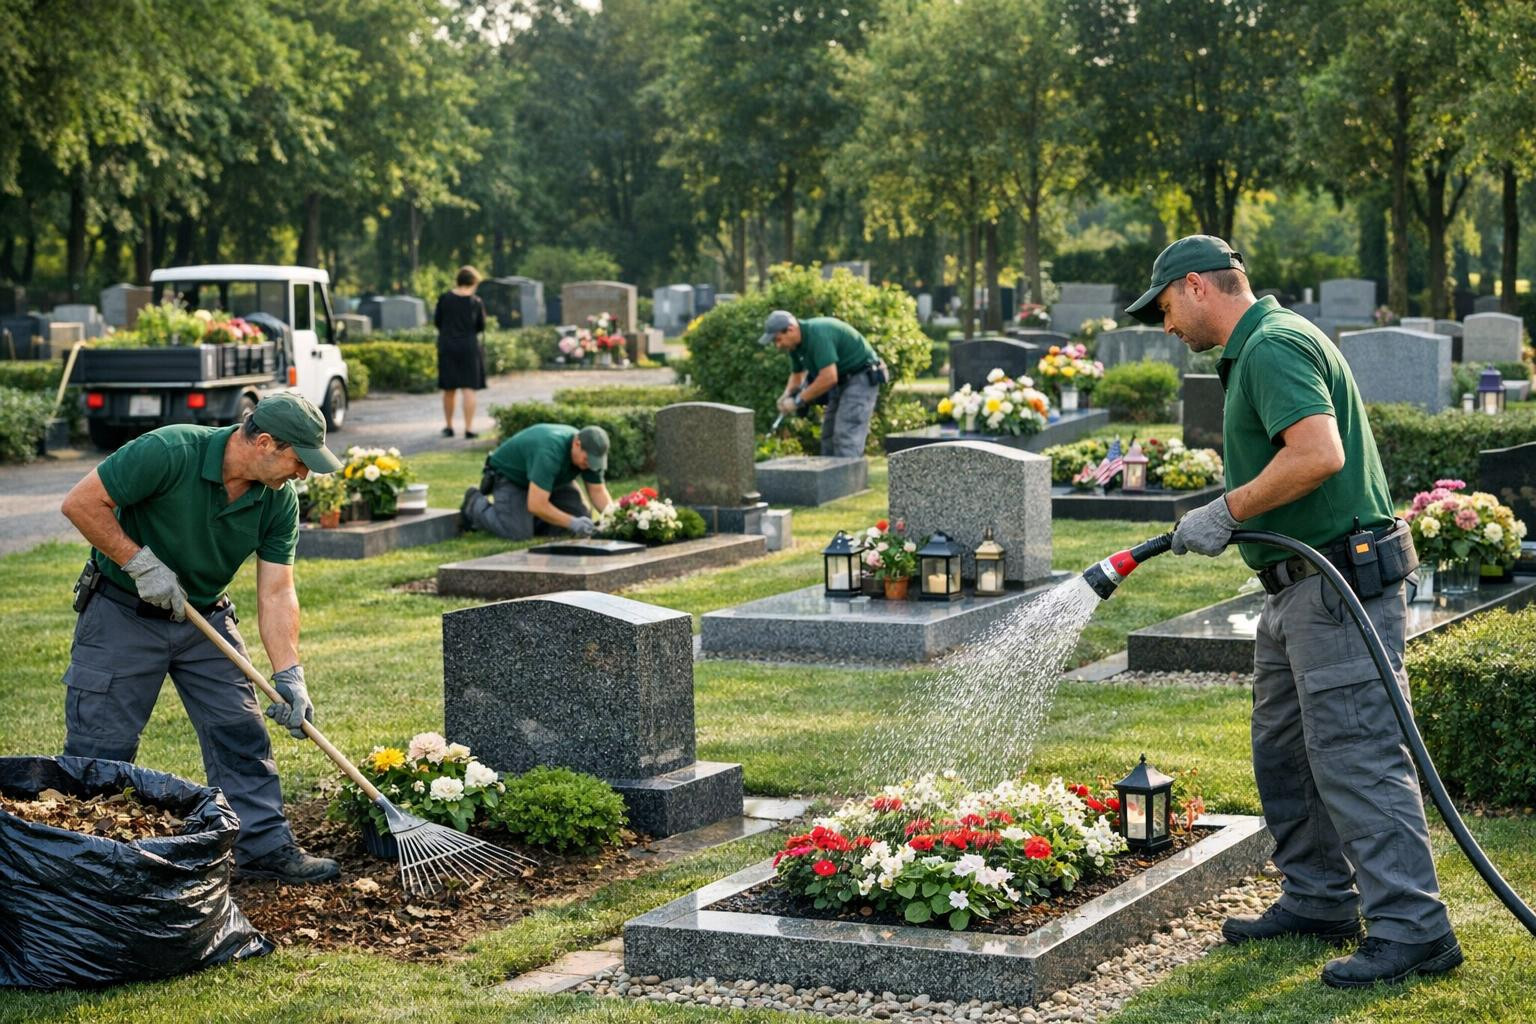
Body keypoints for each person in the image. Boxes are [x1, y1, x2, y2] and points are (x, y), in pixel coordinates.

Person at [1126, 235, 1461, 987]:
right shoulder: (1259, 349)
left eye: (1166, 307)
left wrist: (1227, 510)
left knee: (1357, 754)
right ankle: (1318, 897)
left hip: (1336, 588)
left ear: (1197, 286)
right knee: (1285, 752)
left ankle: (1414, 929)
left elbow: (1318, 455)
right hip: (1296, 589)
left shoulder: (1273, 345)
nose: (1166, 325)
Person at [58, 392, 345, 884]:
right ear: (266, 443)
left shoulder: (277, 501)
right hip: (122, 611)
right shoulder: (170, 451)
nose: (302, 475)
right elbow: (81, 503)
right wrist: (139, 563)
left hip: (204, 617)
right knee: (100, 744)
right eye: (299, 461)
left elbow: (277, 592)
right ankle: (84, 864)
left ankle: (262, 847)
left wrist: (289, 673)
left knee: (241, 732)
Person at [759, 310, 888, 457]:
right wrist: (786, 395)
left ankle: (847, 479)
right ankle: (829, 479)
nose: (778, 345)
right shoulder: (795, 346)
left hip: (861, 377)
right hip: (842, 381)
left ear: (791, 329)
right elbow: (797, 375)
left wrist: (798, 400)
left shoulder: (817, 335)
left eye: (778, 339)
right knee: (829, 435)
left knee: (846, 434)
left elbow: (828, 377)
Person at [461, 424, 612, 541]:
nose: (591, 465)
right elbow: (536, 504)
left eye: (595, 462)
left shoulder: (591, 455)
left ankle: (529, 517)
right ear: (577, 444)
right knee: (518, 532)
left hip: (549, 481)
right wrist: (572, 522)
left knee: (580, 516)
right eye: (587, 460)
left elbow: (597, 491)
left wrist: (616, 519)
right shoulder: (549, 451)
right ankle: (474, 503)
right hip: (512, 478)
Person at [434, 265, 488, 438]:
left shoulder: (444, 298)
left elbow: (438, 321)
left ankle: (449, 426)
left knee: (449, 389)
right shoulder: (475, 302)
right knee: (469, 389)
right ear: (473, 282)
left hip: (448, 346)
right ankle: (469, 428)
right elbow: (481, 326)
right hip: (469, 347)